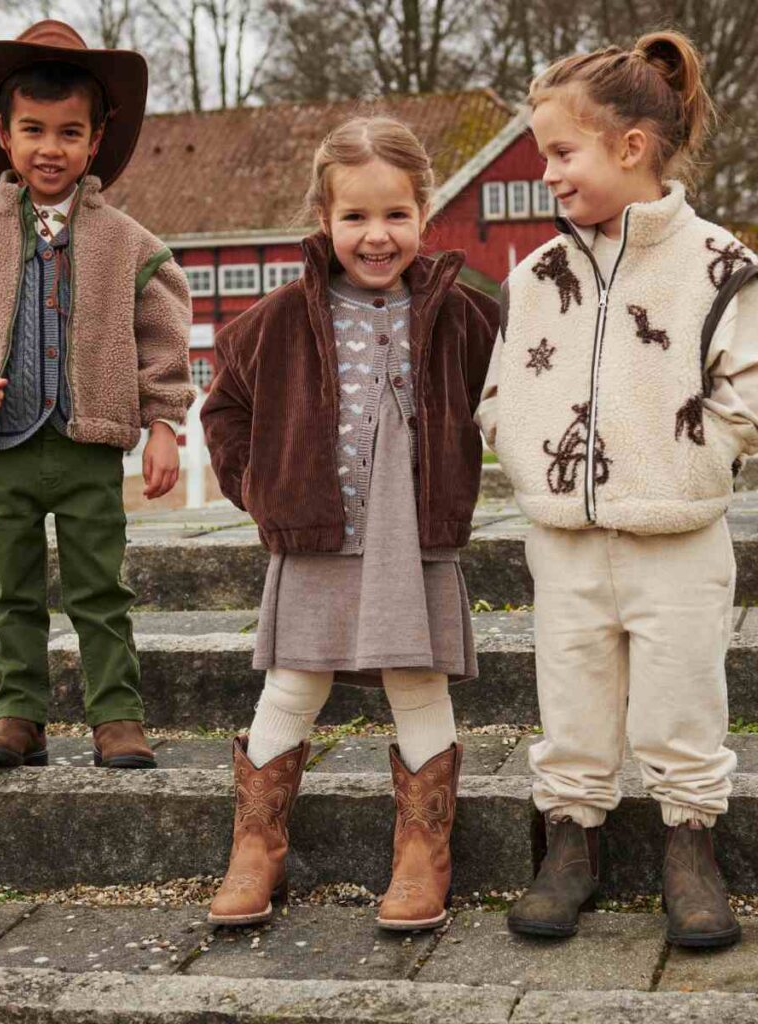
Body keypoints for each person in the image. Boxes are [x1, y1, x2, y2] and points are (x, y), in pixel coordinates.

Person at [479, 31, 758, 948]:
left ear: (629, 147)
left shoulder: (718, 265)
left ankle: (690, 848)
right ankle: (570, 845)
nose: (550, 174)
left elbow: (752, 394)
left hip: (677, 537)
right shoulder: (536, 275)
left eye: (562, 153)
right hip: (562, 538)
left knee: (682, 697)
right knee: (570, 691)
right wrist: (521, 451)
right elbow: (497, 393)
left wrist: (689, 461)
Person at [201, 116, 498, 930]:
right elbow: (224, 406)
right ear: (323, 221)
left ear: (423, 212)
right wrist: (261, 490)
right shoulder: (276, 320)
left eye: (395, 215)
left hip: (416, 542)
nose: (376, 235)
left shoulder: (465, 317)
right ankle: (257, 846)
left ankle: (421, 853)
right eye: (355, 217)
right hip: (317, 538)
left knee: (417, 681)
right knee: (292, 684)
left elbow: (505, 398)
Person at [0, 21, 194, 770]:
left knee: (102, 588)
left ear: (96, 140)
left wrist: (163, 423)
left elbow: (162, 338)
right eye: (32, 129)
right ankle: (18, 717)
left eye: (70, 131)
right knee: (11, 589)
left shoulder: (129, 243)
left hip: (87, 444)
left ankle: (117, 718)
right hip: (1, 446)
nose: (50, 147)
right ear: (3, 135)